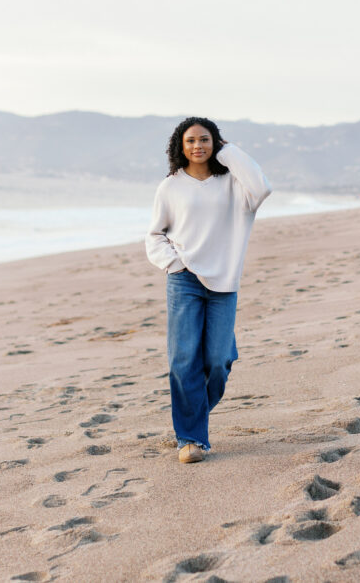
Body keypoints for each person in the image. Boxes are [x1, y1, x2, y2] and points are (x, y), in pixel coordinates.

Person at [145, 117, 272, 464]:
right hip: (184, 279)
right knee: (184, 359)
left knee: (218, 361)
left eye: (205, 140)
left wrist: (227, 148)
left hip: (224, 283)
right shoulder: (170, 187)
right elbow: (154, 234)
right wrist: (175, 264)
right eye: (190, 141)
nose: (197, 146)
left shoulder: (234, 184)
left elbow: (262, 187)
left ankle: (193, 412)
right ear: (180, 146)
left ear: (216, 143)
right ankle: (190, 438)